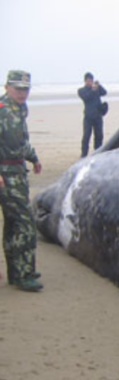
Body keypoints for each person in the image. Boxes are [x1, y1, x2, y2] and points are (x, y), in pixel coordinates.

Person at [0, 70, 43, 292]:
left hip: (17, 171)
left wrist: (33, 158)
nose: (22, 93)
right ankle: (24, 274)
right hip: (5, 175)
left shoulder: (19, 109)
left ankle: (18, 271)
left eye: (25, 89)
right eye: (18, 89)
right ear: (7, 87)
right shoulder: (2, 110)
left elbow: (21, 141)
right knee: (26, 223)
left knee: (13, 223)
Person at [77, 72, 107, 158]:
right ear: (85, 81)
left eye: (91, 81)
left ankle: (98, 153)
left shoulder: (96, 89)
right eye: (88, 81)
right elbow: (86, 97)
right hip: (88, 117)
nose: (90, 82)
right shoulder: (81, 90)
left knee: (99, 136)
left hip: (98, 116)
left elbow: (104, 92)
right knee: (86, 136)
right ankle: (84, 154)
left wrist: (99, 86)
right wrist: (93, 90)